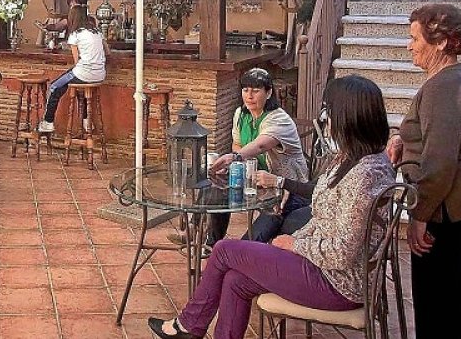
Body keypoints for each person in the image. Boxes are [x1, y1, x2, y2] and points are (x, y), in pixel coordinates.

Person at [148, 75, 394, 339]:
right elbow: (326, 217)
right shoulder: (351, 158)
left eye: (328, 112)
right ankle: (194, 327)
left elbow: (342, 253)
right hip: (322, 266)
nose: (326, 120)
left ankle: (188, 326)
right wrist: (295, 239)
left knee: (223, 250)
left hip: (337, 283)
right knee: (235, 280)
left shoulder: (365, 174)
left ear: (349, 117)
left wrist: (294, 244)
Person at [386, 3, 461, 339]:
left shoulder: (443, 86)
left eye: (414, 38)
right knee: (448, 284)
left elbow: (440, 160)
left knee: (434, 293)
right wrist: (404, 142)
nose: (409, 45)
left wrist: (420, 215)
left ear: (440, 42)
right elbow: (445, 136)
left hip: (448, 204)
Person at [202, 68, 309, 246]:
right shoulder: (240, 114)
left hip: (286, 187)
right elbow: (237, 144)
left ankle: (242, 253)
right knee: (216, 188)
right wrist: (238, 166)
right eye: (245, 90)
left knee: (270, 216)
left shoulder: (278, 119)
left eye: (256, 90)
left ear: (269, 93)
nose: (249, 96)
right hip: (255, 179)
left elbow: (260, 145)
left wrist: (233, 158)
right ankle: (209, 243)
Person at [37, 4, 108, 134]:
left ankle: (48, 122)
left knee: (54, 86)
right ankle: (87, 123)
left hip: (84, 72)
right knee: (80, 90)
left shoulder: (75, 34)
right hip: (100, 74)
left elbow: (76, 62)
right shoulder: (97, 32)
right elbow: (107, 52)